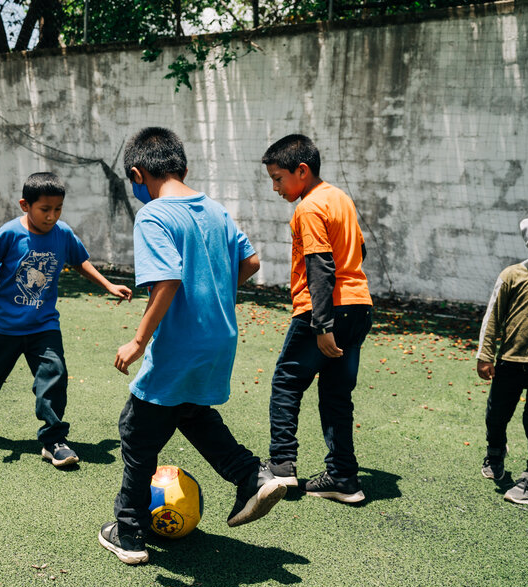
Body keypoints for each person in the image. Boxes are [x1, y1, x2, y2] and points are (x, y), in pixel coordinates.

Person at [98, 128, 285, 565]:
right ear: (184, 167)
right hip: (218, 339)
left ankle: (129, 533)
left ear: (136, 174)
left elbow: (167, 280)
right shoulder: (215, 210)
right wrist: (215, 293)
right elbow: (252, 262)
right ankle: (252, 476)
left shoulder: (154, 216)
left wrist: (138, 340)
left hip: (179, 344)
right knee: (191, 413)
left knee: (136, 432)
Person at [0, 172, 133, 467]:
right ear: (25, 205)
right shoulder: (9, 233)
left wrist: (108, 285)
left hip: (44, 325)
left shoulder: (63, 233)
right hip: (5, 327)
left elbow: (80, 260)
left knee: (53, 376)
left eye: (58, 209)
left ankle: (53, 439)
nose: (52, 216)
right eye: (45, 209)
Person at [262, 134, 373, 504]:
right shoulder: (340, 198)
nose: (275, 187)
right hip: (359, 306)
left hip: (325, 310)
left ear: (302, 170)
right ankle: (343, 477)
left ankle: (281, 467)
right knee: (336, 394)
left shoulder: (309, 207)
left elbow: (320, 266)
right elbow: (359, 249)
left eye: (278, 178)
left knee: (286, 383)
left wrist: (323, 325)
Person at [476, 212, 528, 505]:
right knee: (496, 414)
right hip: (511, 362)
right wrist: (485, 355)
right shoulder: (513, 275)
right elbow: (492, 318)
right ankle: (495, 453)